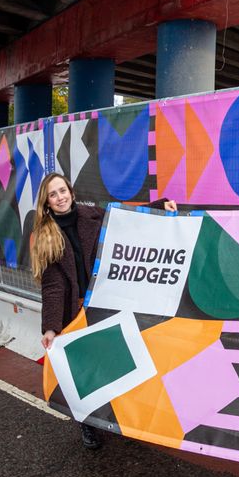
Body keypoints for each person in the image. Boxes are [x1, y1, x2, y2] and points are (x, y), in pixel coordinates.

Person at [30, 172, 174, 450]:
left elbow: (128, 221)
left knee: (116, 364)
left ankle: (121, 420)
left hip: (107, 302)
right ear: (46, 202)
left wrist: (160, 205)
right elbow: (53, 286)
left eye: (63, 191)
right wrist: (50, 327)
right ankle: (89, 426)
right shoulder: (47, 236)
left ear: (71, 192)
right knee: (86, 373)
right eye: (53, 194)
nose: (60, 198)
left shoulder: (92, 215)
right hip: (76, 311)